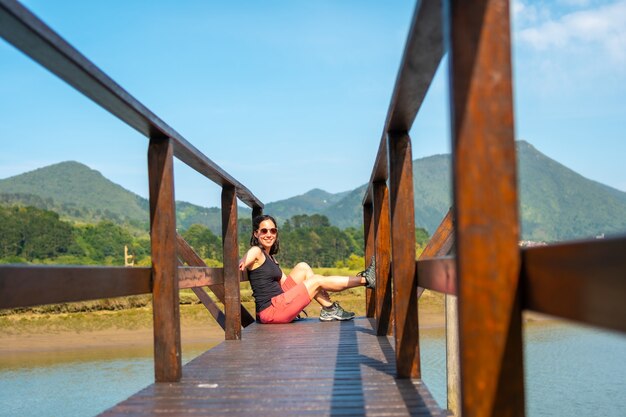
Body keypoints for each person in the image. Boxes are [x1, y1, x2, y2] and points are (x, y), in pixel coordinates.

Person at [239, 214, 376, 324]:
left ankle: (328, 308)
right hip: (271, 311)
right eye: (264, 231)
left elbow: (289, 285)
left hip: (279, 302)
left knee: (302, 267)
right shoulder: (256, 251)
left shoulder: (271, 257)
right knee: (316, 280)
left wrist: (317, 289)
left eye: (273, 230)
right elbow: (245, 260)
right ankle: (365, 280)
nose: (269, 234)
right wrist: (241, 263)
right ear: (256, 234)